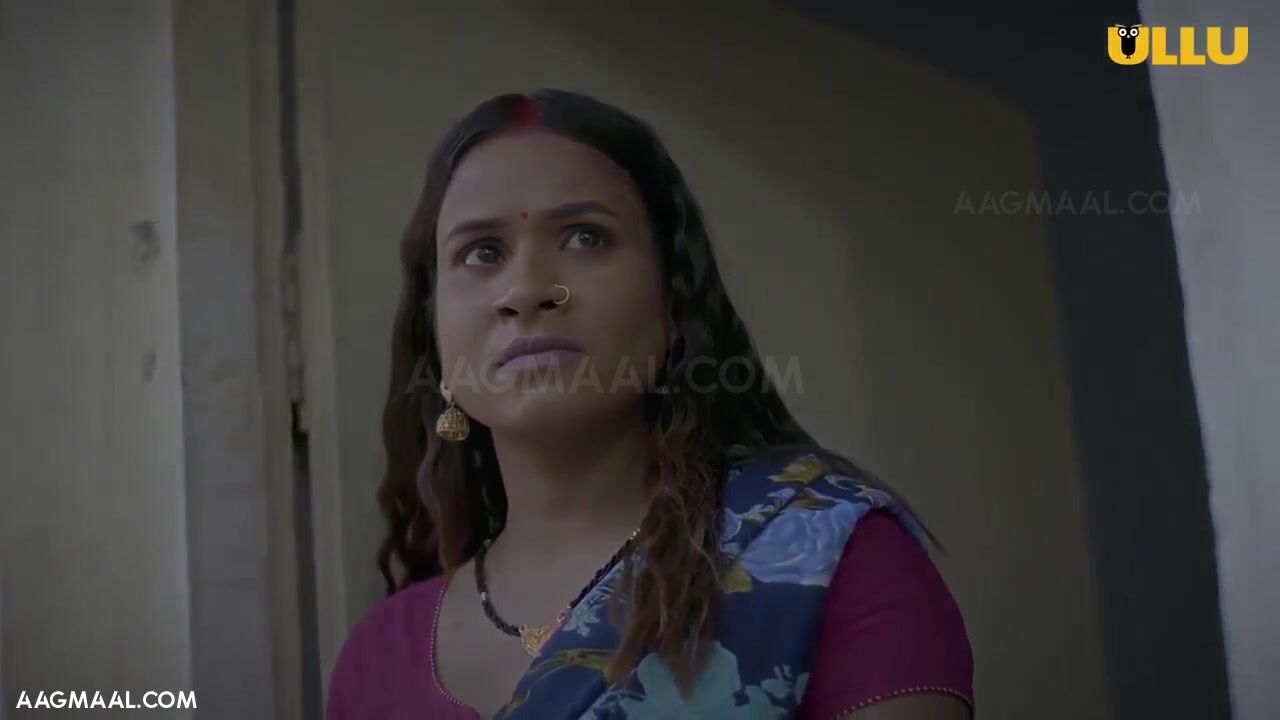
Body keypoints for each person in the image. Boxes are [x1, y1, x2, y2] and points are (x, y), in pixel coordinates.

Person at [326, 89, 974, 719]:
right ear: (435, 332)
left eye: (585, 238)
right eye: (482, 253)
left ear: (673, 301)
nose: (526, 289)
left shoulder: (825, 561)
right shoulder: (376, 658)